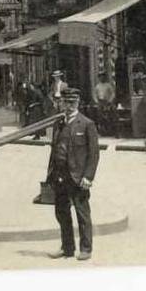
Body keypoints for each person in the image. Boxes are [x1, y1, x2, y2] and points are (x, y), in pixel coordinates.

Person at [47, 87, 100, 261]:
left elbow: (94, 154)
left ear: (77, 103)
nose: (68, 106)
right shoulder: (59, 124)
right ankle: (67, 248)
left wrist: (88, 177)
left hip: (77, 177)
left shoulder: (86, 124)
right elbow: (54, 151)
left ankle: (86, 248)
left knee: (82, 213)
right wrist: (50, 175)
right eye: (66, 102)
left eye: (72, 103)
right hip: (60, 176)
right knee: (62, 213)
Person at [93, 70, 117, 137]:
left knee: (109, 116)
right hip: (100, 102)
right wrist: (96, 101)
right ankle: (102, 131)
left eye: (103, 76)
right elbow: (95, 95)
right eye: (100, 77)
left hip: (107, 102)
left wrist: (110, 101)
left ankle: (111, 131)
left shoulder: (108, 85)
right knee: (100, 117)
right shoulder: (97, 86)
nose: (101, 78)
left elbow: (113, 94)